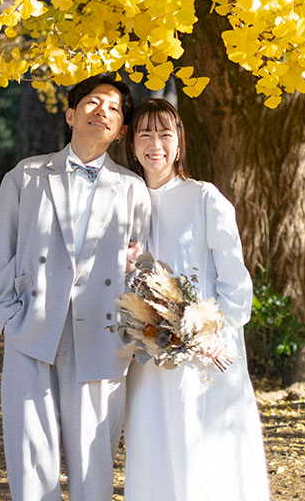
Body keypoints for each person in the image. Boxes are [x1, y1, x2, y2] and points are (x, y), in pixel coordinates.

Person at [0, 73, 151, 501]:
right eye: (95, 103)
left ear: (121, 131)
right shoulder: (27, 175)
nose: (104, 112)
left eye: (115, 109)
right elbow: (0, 251)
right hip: (31, 329)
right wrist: (6, 316)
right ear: (70, 113)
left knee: (93, 459)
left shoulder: (133, 188)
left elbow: (144, 263)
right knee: (29, 455)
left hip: (102, 330)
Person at [122, 97, 271, 501]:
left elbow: (235, 281)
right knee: (155, 444)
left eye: (165, 134)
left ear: (179, 142)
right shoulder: (125, 202)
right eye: (145, 134)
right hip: (149, 351)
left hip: (206, 350)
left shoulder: (205, 198)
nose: (156, 144)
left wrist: (211, 330)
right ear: (131, 143)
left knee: (205, 446)